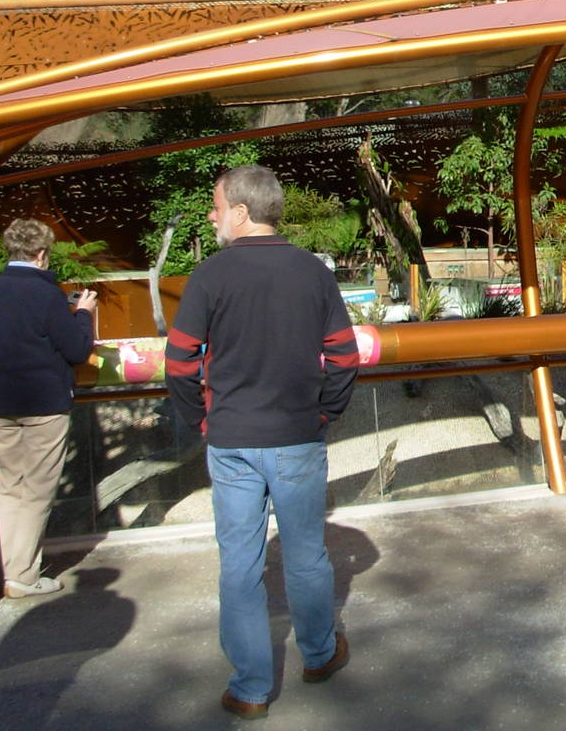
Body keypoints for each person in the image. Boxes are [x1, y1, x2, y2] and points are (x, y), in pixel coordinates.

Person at [166, 165, 359, 721]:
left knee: (239, 563)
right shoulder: (314, 273)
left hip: (230, 440)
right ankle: (319, 655)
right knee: (306, 555)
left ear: (242, 213)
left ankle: (251, 688)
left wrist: (199, 422)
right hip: (297, 436)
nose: (211, 215)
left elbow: (179, 362)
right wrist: (327, 411)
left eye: (215, 205)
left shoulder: (209, 275)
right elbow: (344, 356)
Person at [0, 217, 97, 599]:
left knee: (9, 485)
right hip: (43, 403)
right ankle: (22, 576)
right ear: (42, 254)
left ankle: (2, 568)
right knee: (37, 490)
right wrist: (84, 313)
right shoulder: (46, 294)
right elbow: (77, 350)